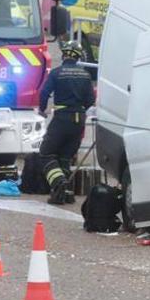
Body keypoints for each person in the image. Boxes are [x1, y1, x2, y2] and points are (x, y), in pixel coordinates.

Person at [39, 41, 95, 205]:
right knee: (65, 157)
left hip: (62, 117)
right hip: (79, 119)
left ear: (64, 55)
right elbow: (90, 100)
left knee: (46, 153)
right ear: (78, 57)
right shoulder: (85, 75)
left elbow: (44, 93)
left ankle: (58, 183)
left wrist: (42, 110)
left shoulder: (57, 73)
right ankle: (62, 194)